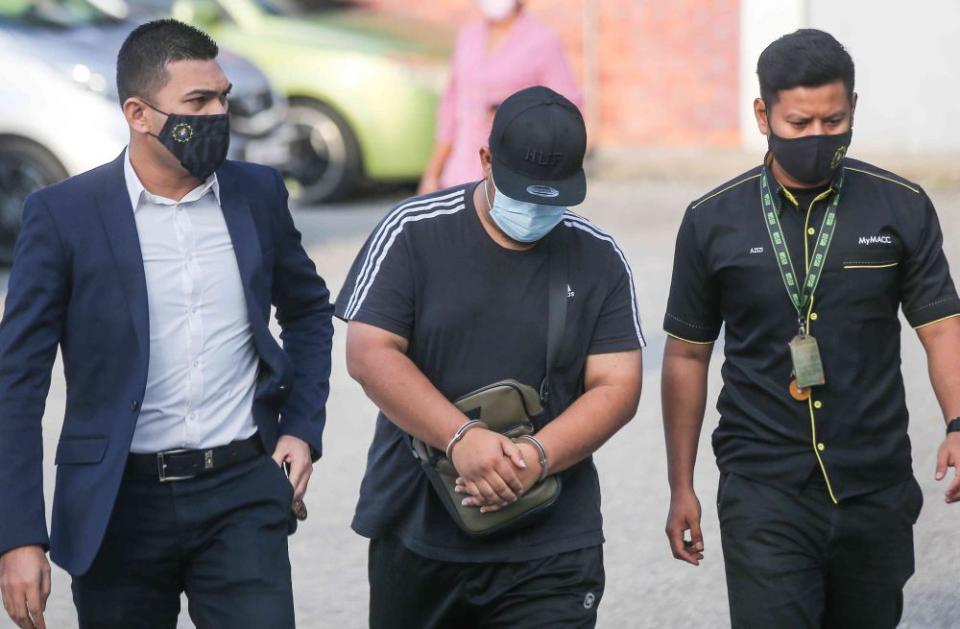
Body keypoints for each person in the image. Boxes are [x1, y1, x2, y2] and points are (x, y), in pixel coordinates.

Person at [0, 20, 333, 629]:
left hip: (241, 494)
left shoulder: (257, 194)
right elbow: (17, 384)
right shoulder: (64, 215)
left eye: (223, 98)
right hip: (117, 504)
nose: (219, 115)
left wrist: (302, 428)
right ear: (139, 113)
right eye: (198, 103)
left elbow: (309, 310)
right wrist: (19, 536)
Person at [661, 29, 960, 628]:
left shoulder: (901, 206)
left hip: (875, 483)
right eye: (799, 124)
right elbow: (687, 357)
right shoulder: (711, 220)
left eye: (834, 120)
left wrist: (958, 422)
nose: (818, 138)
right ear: (763, 114)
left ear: (853, 108)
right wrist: (681, 486)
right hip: (763, 486)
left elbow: (942, 325)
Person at [338, 86, 643, 628]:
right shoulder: (412, 231)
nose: (536, 211)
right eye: (524, 193)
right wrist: (462, 439)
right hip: (419, 529)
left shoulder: (598, 257)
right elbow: (368, 353)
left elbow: (617, 385)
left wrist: (535, 459)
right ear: (485, 161)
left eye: (554, 199)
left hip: (551, 539)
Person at [418, 0, 583, 194]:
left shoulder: (543, 41)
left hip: (512, 175)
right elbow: (451, 108)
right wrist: (432, 175)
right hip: (460, 173)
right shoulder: (469, 36)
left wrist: (515, 115)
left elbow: (566, 111)